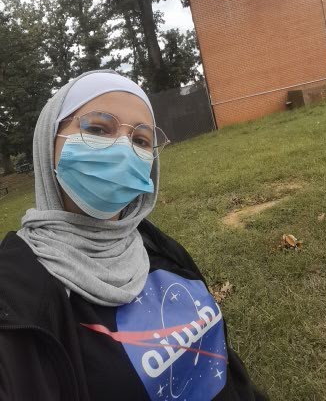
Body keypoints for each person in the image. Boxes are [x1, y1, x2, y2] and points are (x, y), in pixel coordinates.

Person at [0, 70, 267, 401]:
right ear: (48, 142)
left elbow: (222, 361)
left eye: (140, 140)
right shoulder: (17, 296)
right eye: (98, 129)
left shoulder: (152, 243)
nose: (123, 150)